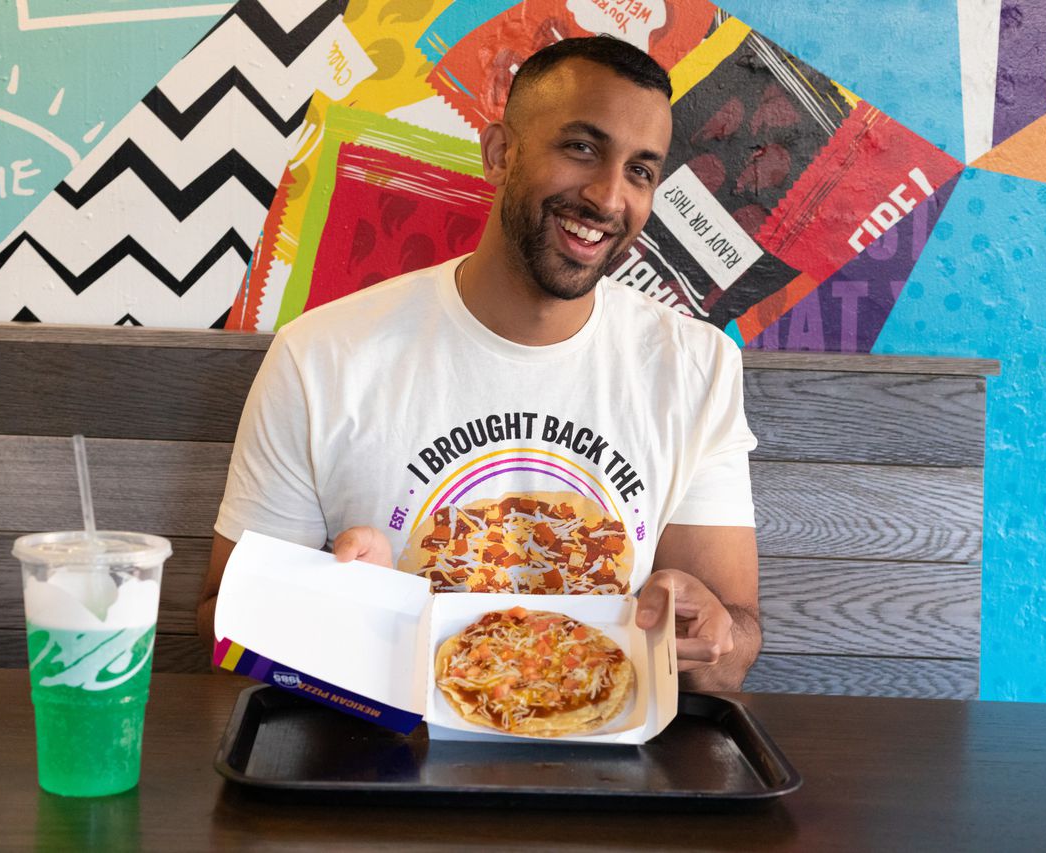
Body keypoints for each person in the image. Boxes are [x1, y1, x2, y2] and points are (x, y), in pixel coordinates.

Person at [197, 36, 762, 692]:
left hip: (603, 741)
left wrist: (708, 632)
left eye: (640, 170)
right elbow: (220, 624)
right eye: (582, 148)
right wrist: (344, 607)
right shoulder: (320, 357)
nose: (610, 198)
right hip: (386, 743)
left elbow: (731, 653)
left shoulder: (697, 368)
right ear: (500, 153)